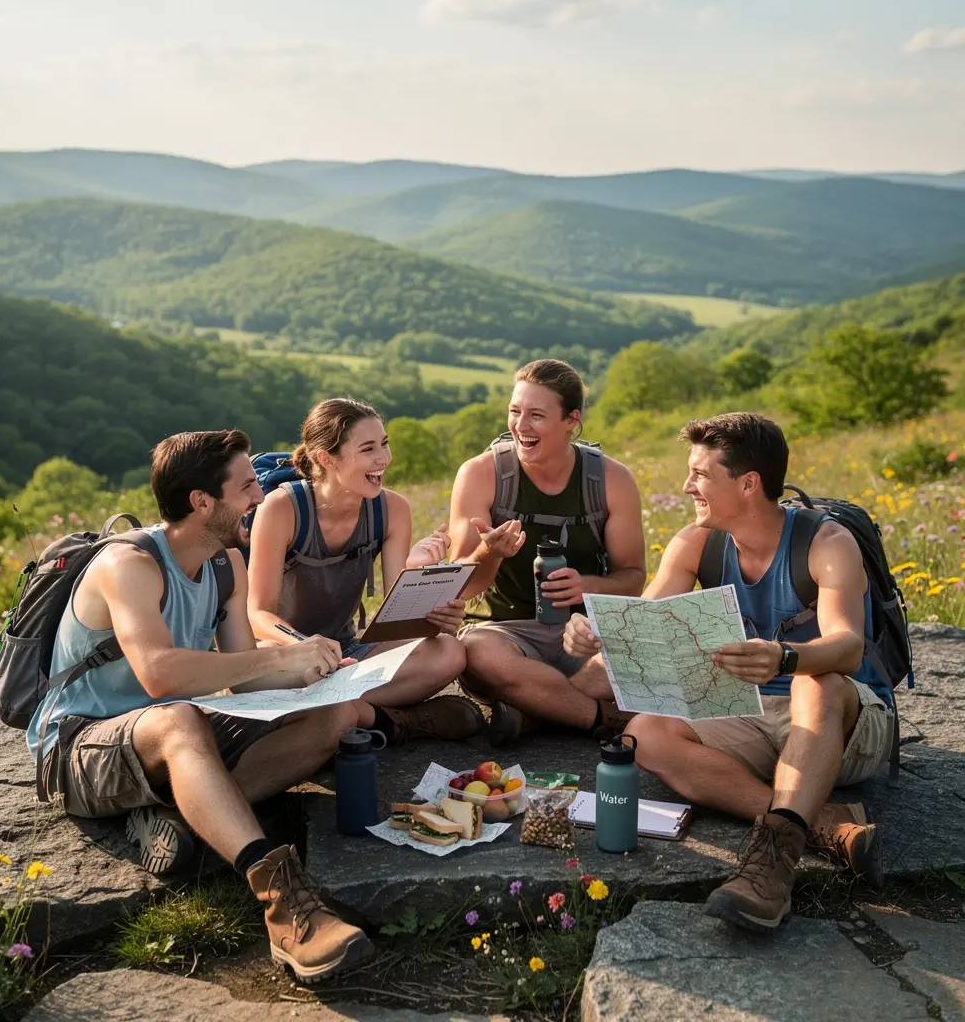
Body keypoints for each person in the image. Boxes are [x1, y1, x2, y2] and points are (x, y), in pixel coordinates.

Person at [26, 429, 375, 981]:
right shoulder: (129, 565)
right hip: (77, 745)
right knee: (180, 718)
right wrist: (268, 661)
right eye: (246, 487)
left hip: (163, 734)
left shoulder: (223, 564)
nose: (260, 497)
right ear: (202, 501)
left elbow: (243, 678)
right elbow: (160, 674)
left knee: (335, 717)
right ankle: (278, 895)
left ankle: (182, 819)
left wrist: (311, 672)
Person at [562, 412, 895, 933]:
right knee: (646, 733)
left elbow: (847, 648)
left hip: (845, 718)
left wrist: (784, 656)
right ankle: (820, 824)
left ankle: (770, 868)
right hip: (755, 711)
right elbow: (642, 626)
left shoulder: (826, 544)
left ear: (747, 484)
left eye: (699, 474)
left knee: (817, 681)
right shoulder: (697, 542)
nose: (686, 485)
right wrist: (592, 635)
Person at [247, 398, 481, 745]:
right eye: (368, 449)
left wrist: (435, 615)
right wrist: (305, 646)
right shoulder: (281, 509)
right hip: (285, 653)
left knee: (449, 652)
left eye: (384, 444)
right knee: (272, 667)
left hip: (347, 656)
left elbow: (396, 616)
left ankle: (334, 712)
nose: (383, 459)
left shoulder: (393, 509)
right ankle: (392, 720)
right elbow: (258, 612)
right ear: (326, 458)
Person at [448, 359, 646, 745]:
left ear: (571, 420)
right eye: (515, 411)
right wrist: (489, 554)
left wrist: (586, 587)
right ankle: (599, 718)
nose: (521, 426)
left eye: (536, 415)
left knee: (642, 659)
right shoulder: (480, 473)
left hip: (585, 633)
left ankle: (534, 712)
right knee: (475, 654)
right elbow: (464, 587)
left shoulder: (612, 479)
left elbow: (634, 577)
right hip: (502, 633)